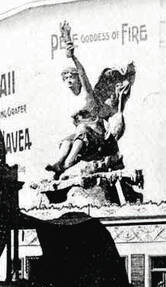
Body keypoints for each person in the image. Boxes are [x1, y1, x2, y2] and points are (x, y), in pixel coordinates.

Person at [45, 21, 135, 180]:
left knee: (82, 130)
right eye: (65, 77)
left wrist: (70, 52)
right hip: (84, 137)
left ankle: (67, 164)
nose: (68, 79)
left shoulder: (86, 92)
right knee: (66, 141)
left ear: (78, 79)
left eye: (71, 76)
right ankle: (59, 163)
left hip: (97, 133)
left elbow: (82, 71)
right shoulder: (69, 99)